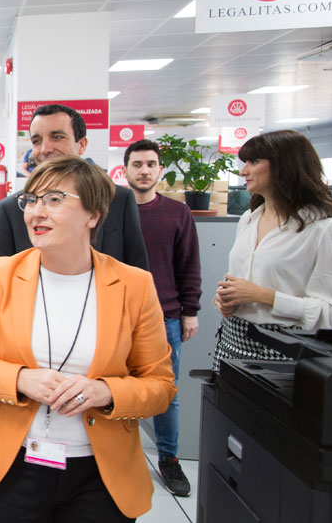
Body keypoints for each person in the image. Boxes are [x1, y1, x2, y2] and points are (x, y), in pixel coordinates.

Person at [0, 156, 175, 522]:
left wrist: (106, 392)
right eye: (32, 200)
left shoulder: (134, 285)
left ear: (93, 215)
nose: (36, 212)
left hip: (99, 473)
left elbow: (161, 386)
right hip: (15, 463)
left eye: (54, 200)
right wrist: (22, 379)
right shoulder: (0, 275)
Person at [212, 129, 332, 368]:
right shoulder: (248, 219)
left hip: (284, 347)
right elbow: (241, 284)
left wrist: (265, 297)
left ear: (284, 166)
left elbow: (330, 314)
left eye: (254, 162)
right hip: (233, 339)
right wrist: (225, 300)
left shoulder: (323, 228)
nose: (243, 171)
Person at [124, 139, 201, 497]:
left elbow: (189, 264)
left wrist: (190, 311)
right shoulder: (112, 211)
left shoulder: (177, 212)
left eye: (151, 164)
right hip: (118, 316)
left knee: (166, 394)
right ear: (124, 170)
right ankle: (121, 457)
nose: (144, 170)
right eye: (137, 164)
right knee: (117, 388)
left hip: (165, 316)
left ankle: (169, 460)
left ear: (159, 170)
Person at [0, 104, 148, 270]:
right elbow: (1, 283)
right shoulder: (12, 209)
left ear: (81, 144)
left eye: (57, 137)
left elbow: (136, 268)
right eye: (37, 141)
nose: (45, 149)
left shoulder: (117, 200)